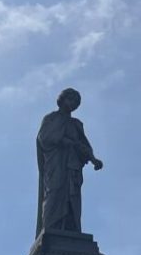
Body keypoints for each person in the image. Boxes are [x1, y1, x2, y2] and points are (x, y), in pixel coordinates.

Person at [35, 88, 103, 236]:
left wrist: (93, 159)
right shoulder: (51, 118)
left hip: (72, 167)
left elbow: (83, 145)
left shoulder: (76, 124)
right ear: (62, 99)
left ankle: (71, 229)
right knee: (54, 192)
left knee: (72, 197)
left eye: (76, 102)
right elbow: (44, 138)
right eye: (70, 99)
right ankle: (50, 229)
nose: (73, 104)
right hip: (56, 164)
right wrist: (63, 140)